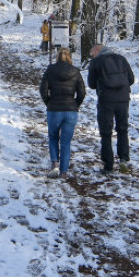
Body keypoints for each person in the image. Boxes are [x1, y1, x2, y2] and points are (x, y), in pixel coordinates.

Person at [87, 44, 135, 173]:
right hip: (123, 99)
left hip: (106, 100)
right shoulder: (121, 59)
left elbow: (91, 84)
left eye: (92, 53)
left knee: (106, 132)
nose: (92, 56)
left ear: (97, 50)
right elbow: (131, 79)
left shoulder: (96, 62)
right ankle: (124, 159)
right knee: (122, 129)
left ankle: (108, 165)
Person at [39, 47, 86, 178]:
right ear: (69, 56)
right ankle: (64, 171)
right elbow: (82, 92)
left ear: (57, 56)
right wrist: (75, 104)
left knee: (53, 137)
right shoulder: (76, 72)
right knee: (66, 142)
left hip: (54, 109)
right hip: (70, 110)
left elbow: (43, 90)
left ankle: (54, 164)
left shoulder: (50, 70)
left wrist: (48, 102)